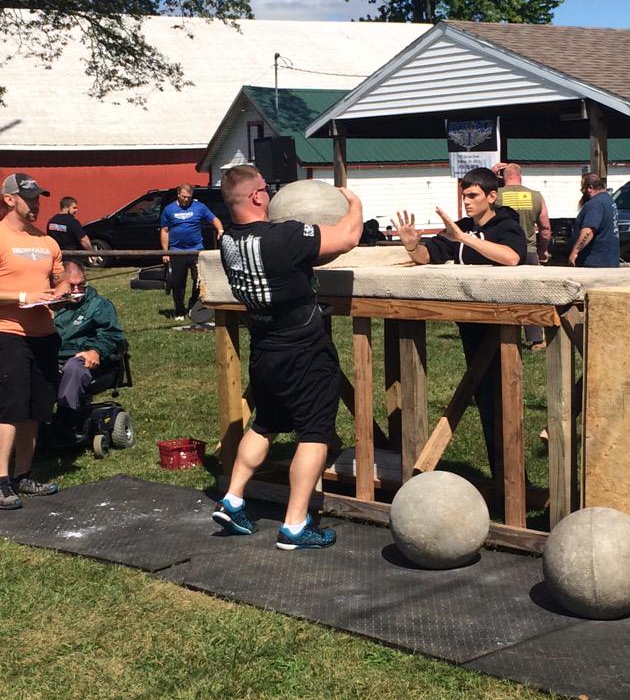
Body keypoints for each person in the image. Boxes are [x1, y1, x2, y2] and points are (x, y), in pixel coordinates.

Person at [212, 165, 363, 549]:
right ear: (258, 197)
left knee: (265, 425)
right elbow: (346, 238)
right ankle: (295, 525)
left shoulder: (228, 241)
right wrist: (353, 202)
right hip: (303, 351)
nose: (271, 193)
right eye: (266, 187)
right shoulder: (284, 236)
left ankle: (232, 499)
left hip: (265, 348)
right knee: (314, 432)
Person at [392, 167, 527, 474]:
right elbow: (430, 255)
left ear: (491, 197)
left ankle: (513, 478)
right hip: (470, 319)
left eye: (473, 195)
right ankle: (502, 476)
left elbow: (511, 257)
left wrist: (464, 238)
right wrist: (412, 245)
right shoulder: (461, 227)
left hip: (502, 320)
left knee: (502, 398)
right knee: (486, 397)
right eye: (464, 195)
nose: (466, 201)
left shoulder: (505, 224)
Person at [0, 172, 69, 510]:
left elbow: (60, 282)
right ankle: (0, 482)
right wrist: (22, 295)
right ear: (9, 199)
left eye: (39, 199)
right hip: (8, 334)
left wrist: (63, 293)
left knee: (35, 409)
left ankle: (23, 474)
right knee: (9, 408)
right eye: (30, 199)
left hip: (45, 335)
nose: (36, 205)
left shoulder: (47, 242)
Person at [53, 260, 125, 439]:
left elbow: (112, 335)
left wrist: (96, 351)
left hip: (86, 359)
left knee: (74, 367)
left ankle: (65, 422)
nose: (77, 290)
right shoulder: (52, 306)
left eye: (81, 285)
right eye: (72, 285)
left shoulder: (98, 305)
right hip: (53, 358)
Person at [493, 162, 552, 350]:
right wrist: (543, 250)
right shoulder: (536, 196)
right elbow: (545, 228)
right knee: (532, 295)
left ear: (503, 177)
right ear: (521, 177)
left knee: (503, 294)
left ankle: (504, 335)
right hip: (530, 251)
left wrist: (493, 176)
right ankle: (536, 339)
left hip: (504, 252)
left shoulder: (496, 195)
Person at [160, 183, 224, 320]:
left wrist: (220, 229)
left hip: (196, 250)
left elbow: (214, 219)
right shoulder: (169, 209)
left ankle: (194, 305)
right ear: (178, 194)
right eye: (184, 197)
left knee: (199, 281)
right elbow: (165, 231)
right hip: (176, 251)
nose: (186, 199)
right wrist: (165, 252)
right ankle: (179, 310)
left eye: (189, 197)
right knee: (178, 283)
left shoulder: (199, 207)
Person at [568, 172, 620, 268]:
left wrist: (574, 253)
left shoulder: (595, 204)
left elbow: (588, 231)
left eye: (583, 189)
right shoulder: (608, 200)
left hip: (594, 262)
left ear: (590, 188)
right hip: (609, 260)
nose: (582, 191)